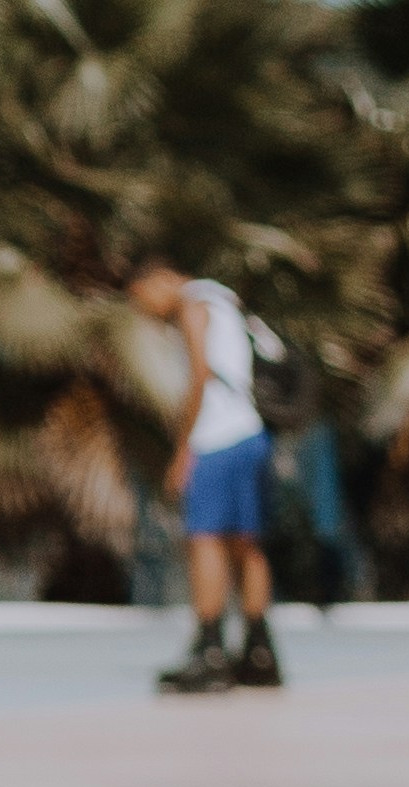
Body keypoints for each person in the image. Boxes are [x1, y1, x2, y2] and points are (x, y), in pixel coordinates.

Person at [128, 260, 284, 693]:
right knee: (245, 543)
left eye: (144, 301)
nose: (149, 312)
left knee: (205, 540)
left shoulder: (193, 305)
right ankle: (259, 649)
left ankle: (209, 649)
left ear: (157, 279)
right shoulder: (225, 299)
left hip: (216, 439)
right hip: (251, 434)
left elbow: (200, 376)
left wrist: (183, 450)